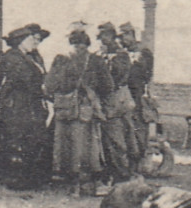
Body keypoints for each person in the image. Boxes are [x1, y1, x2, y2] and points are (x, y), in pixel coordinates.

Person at [44, 27, 111, 196]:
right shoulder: (95, 60)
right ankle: (87, 184)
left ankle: (71, 184)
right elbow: (108, 86)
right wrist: (92, 92)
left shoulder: (60, 59)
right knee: (87, 147)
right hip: (85, 110)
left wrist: (62, 93)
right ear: (87, 44)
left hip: (64, 110)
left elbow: (49, 85)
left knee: (65, 146)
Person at [0, 22, 50, 190]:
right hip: (18, 103)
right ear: (21, 41)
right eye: (31, 39)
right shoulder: (13, 57)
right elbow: (21, 79)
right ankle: (16, 177)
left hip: (32, 102)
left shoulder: (32, 56)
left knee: (32, 137)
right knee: (17, 137)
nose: (35, 42)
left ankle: (28, 175)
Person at [98, 139, 191, 208]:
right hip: (175, 203)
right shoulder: (121, 196)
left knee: (159, 198)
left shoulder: (121, 195)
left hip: (176, 203)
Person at [95, 22, 139, 186]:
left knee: (118, 139)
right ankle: (116, 172)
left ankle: (122, 174)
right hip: (112, 101)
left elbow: (114, 79)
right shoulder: (102, 55)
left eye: (104, 37)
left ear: (112, 37)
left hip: (116, 101)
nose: (102, 41)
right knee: (111, 139)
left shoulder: (120, 56)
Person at [117, 21, 157, 148]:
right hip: (123, 96)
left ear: (132, 35)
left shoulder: (144, 53)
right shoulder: (121, 54)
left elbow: (147, 75)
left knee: (138, 131)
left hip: (137, 96)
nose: (122, 40)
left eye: (124, 36)